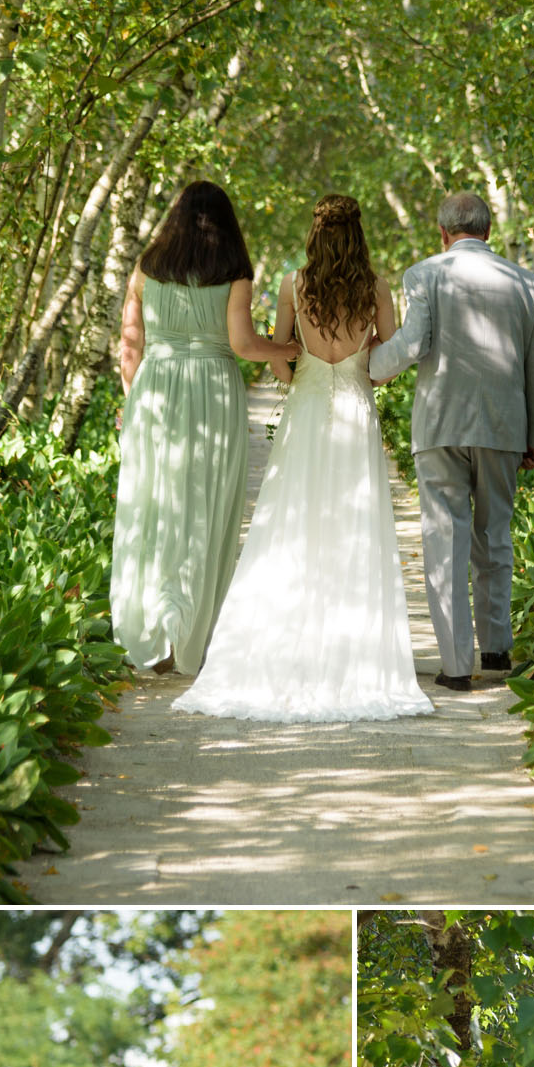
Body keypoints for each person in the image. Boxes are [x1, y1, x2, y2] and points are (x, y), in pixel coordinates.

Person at [175, 196, 431, 720]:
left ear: (314, 232)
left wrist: (304, 377)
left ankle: (287, 640)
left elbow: (280, 358)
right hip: (357, 412)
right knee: (354, 529)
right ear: (358, 233)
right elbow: (387, 356)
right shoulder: (377, 287)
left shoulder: (294, 284)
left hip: (309, 410)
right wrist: (363, 376)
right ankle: (353, 651)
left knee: (295, 524)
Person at [368, 187, 534, 690]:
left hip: (441, 425)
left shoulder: (423, 274)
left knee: (444, 540)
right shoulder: (525, 282)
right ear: (488, 231)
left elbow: (412, 343)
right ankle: (495, 652)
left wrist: (362, 366)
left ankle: (454, 667)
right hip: (503, 426)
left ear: (443, 234)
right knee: (495, 537)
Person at [110, 180, 283, 684]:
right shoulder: (234, 275)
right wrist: (287, 350)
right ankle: (189, 634)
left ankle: (152, 632)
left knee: (153, 504)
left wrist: (135, 400)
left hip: (155, 391)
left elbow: (129, 345)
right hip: (212, 390)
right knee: (205, 506)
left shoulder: (147, 269)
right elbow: (244, 345)